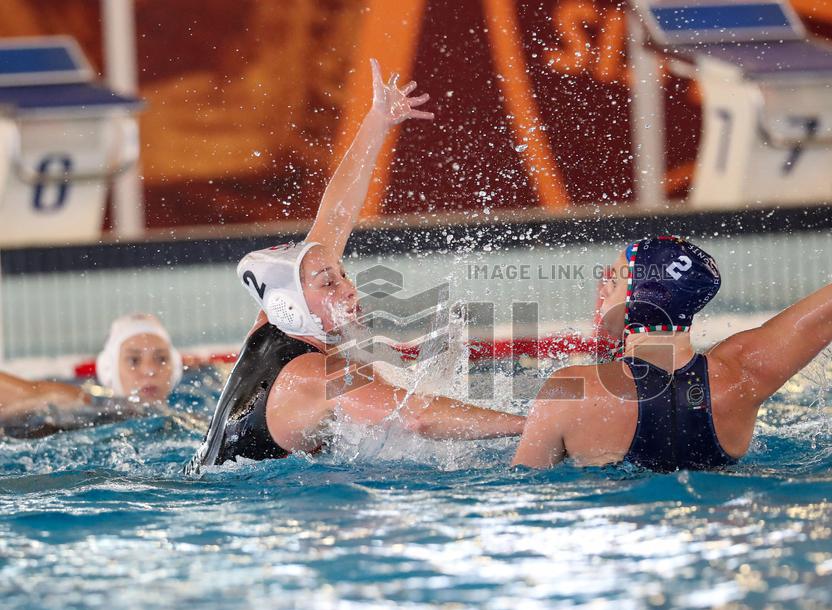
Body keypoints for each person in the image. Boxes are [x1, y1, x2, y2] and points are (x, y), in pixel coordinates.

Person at [193, 60, 524, 469]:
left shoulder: (277, 319)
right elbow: (417, 416)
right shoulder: (313, 376)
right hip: (235, 505)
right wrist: (530, 424)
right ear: (290, 305)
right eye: (329, 283)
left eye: (344, 275)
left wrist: (377, 122)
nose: (348, 288)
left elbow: (334, 217)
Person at [511, 195, 832, 471]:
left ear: (639, 301)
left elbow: (522, 495)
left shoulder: (570, 391)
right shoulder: (743, 375)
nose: (603, 286)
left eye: (615, 279)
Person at [0, 313, 183, 434]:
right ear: (108, 370)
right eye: (134, 361)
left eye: (161, 359)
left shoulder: (186, 422)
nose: (150, 371)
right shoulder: (80, 404)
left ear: (175, 367)